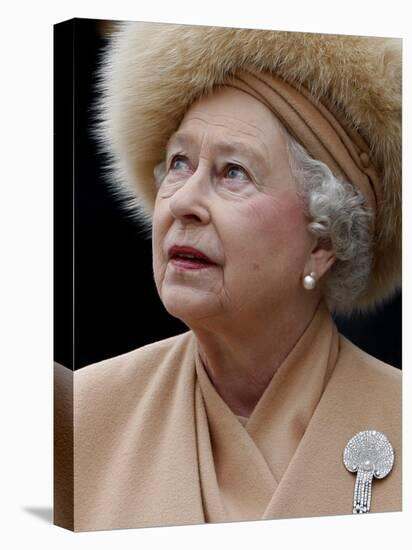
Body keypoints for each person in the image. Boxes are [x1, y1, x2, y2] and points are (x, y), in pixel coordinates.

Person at [67, 23, 401, 531]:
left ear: (323, 242)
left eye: (233, 172)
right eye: (179, 163)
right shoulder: (73, 417)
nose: (181, 202)